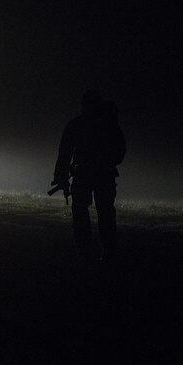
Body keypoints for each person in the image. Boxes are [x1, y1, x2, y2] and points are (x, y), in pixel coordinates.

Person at [53, 89, 126, 261]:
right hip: (99, 174)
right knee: (101, 211)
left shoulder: (78, 125)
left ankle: (90, 250)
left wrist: (62, 176)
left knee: (88, 211)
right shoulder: (107, 125)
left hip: (89, 174)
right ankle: (103, 250)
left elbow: (64, 154)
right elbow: (120, 151)